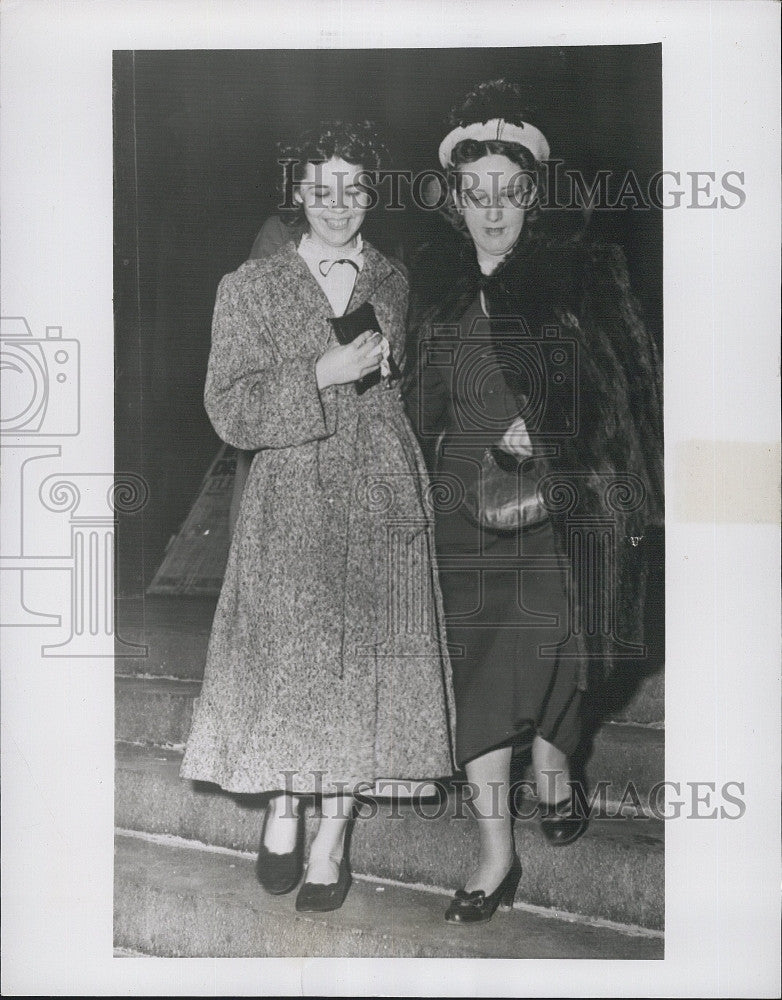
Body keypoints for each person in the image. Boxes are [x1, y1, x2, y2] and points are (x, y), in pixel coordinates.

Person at [181, 120, 455, 913]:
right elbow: (228, 409)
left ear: (373, 193)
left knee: (361, 679)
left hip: (379, 496)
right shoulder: (249, 286)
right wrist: (322, 372)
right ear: (298, 194)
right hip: (292, 501)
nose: (339, 204)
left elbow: (397, 392)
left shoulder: (394, 279)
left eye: (356, 187)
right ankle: (284, 807)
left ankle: (333, 839)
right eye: (321, 188)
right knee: (294, 675)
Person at [405, 80, 663, 924]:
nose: (491, 211)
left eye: (507, 194)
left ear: (533, 195)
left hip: (562, 506)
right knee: (479, 672)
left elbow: (631, 390)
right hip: (458, 513)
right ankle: (493, 854)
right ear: (454, 200)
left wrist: (548, 430)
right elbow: (412, 406)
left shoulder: (583, 273)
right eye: (474, 194)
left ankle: (555, 764)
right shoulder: (432, 286)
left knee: (564, 647)